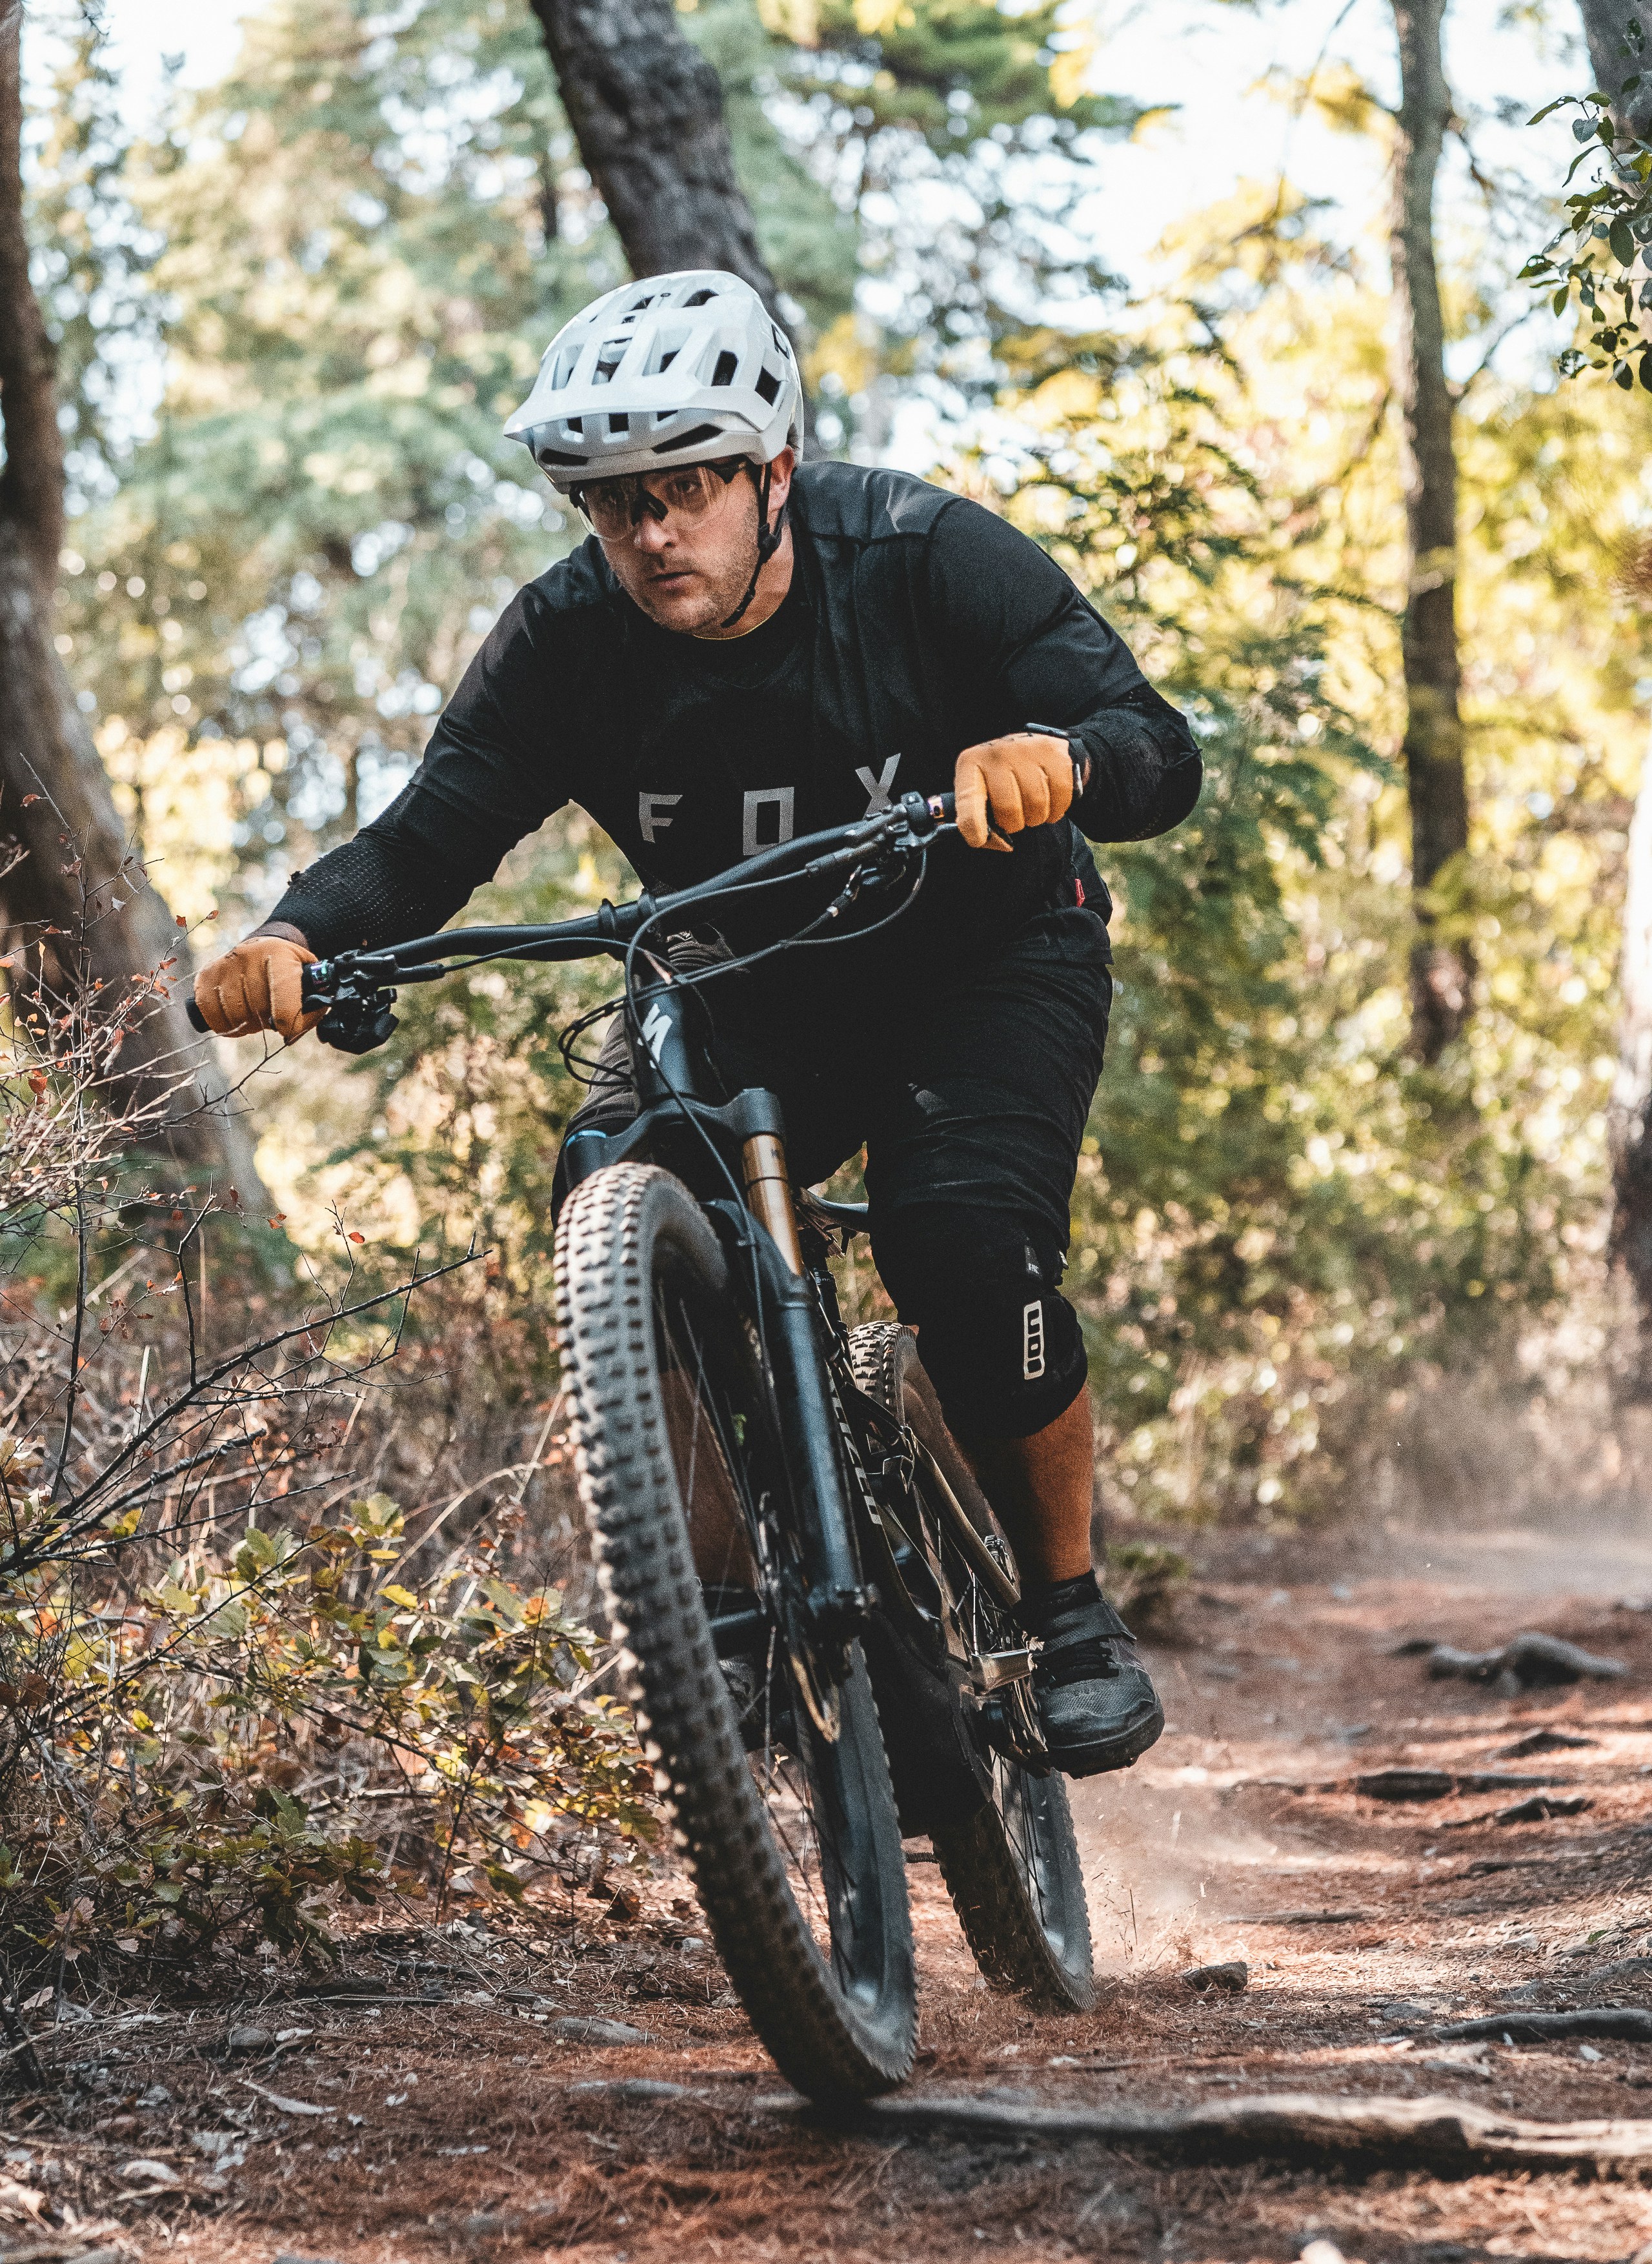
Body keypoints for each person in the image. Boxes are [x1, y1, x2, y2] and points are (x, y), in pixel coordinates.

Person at [194, 268, 1203, 1778]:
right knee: (612, 1192)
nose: (650, 535)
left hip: (984, 962)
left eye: (683, 490)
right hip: (734, 981)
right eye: (612, 506)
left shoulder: (922, 557)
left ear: (770, 471)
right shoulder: (564, 640)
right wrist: (294, 935)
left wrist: (1051, 755)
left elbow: (1154, 751)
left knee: (957, 1236)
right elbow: (424, 842)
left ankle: (1066, 1609)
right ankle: (725, 1613)